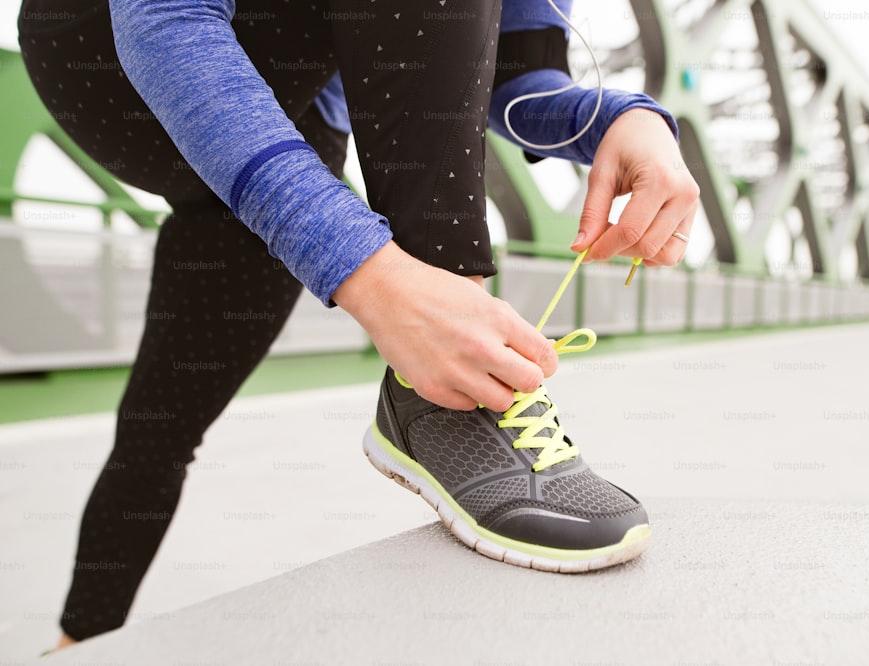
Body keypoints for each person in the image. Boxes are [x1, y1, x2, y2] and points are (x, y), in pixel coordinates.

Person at [18, 0, 699, 649]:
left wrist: (620, 118)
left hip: (290, 116)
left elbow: (513, 79)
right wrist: (371, 275)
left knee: (158, 435)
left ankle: (77, 642)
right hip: (105, 51)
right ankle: (443, 396)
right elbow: (165, 17)